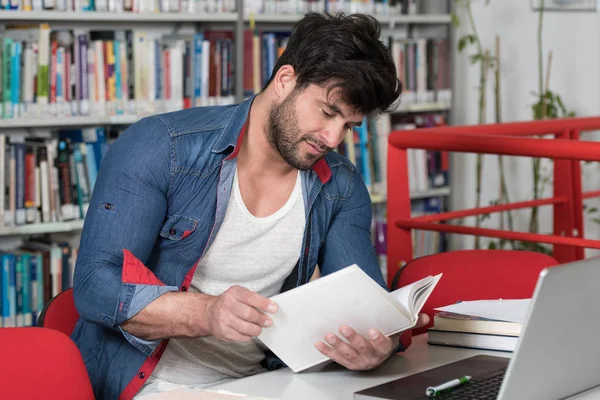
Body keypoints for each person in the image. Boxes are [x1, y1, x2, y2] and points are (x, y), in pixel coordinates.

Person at [71, 11, 429, 400]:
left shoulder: (340, 185)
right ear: (285, 80)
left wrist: (379, 343)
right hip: (153, 385)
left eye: (349, 126)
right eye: (327, 112)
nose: (332, 138)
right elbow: (94, 286)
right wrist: (205, 314)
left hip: (268, 384)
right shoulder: (160, 147)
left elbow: (366, 303)